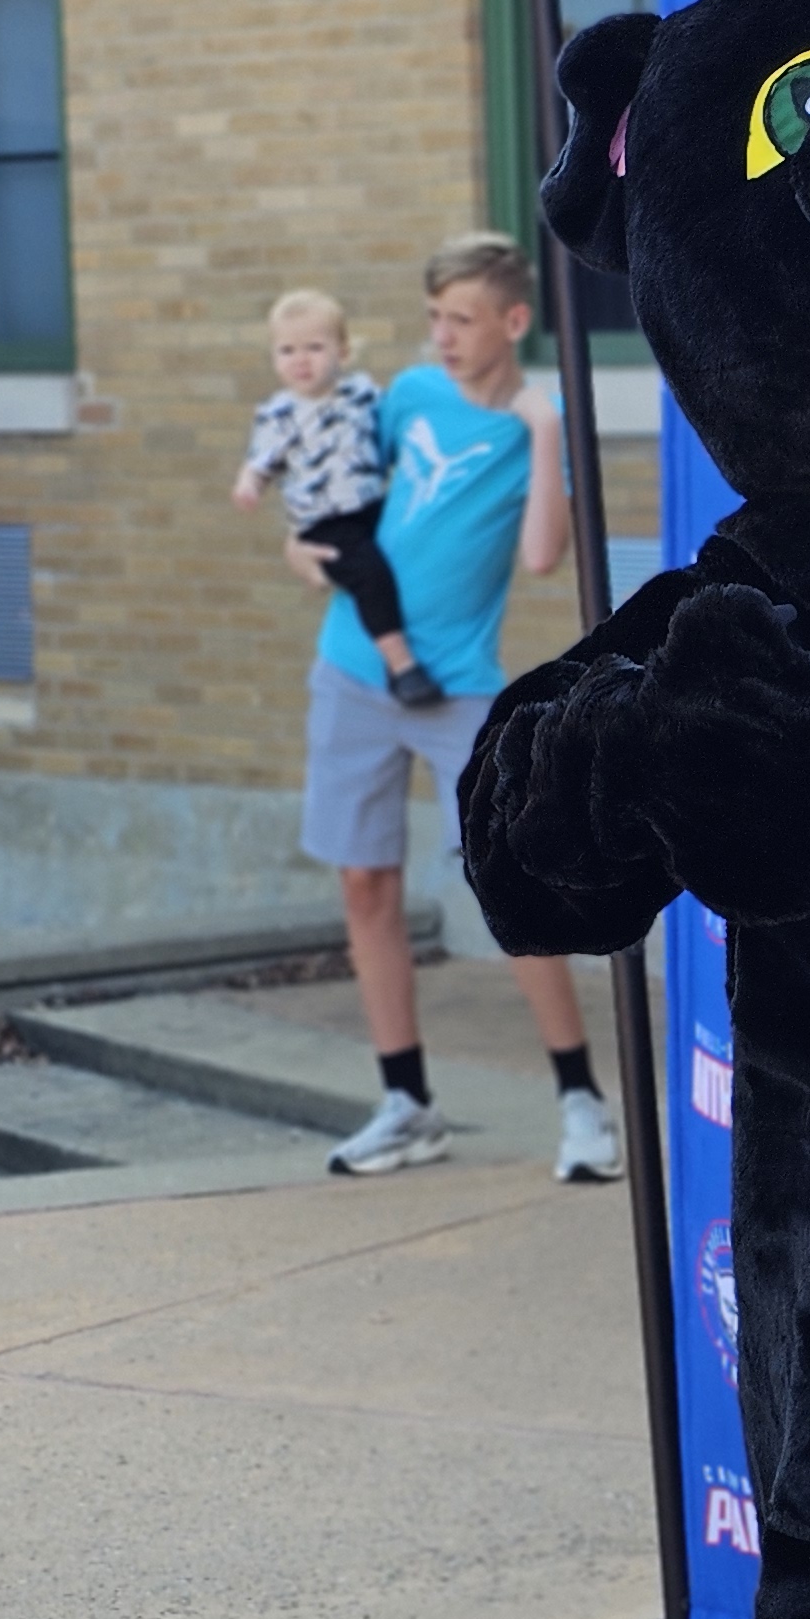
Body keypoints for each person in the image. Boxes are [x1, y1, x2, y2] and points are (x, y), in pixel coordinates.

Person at [293, 231, 623, 1186]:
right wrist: (303, 550)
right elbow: (341, 504)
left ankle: (581, 1104)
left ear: (513, 323)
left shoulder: (540, 420)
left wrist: (545, 432)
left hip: (459, 689)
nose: (441, 336)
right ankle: (405, 1103)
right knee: (365, 886)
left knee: (510, 886)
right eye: (434, 317)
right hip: (354, 667)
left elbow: (542, 560)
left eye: (461, 320)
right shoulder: (407, 397)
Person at [235, 287, 435, 706]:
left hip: (370, 505)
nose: (300, 359)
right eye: (287, 350)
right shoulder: (280, 413)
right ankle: (402, 667)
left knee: (415, 540)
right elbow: (261, 461)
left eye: (314, 347)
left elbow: (393, 429)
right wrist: (249, 484)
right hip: (325, 524)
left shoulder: (359, 393)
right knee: (370, 575)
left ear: (342, 352)